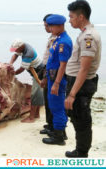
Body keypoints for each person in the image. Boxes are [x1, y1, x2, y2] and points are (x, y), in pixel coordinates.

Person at [65, 0, 101, 157]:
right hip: (78, 82)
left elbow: (84, 69)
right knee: (77, 117)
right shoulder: (84, 33)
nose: (69, 20)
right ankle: (80, 149)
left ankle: (82, 153)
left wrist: (72, 94)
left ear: (81, 17)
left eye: (71, 16)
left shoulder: (88, 36)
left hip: (82, 84)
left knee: (82, 119)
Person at [41, 14, 72, 145]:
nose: (50, 29)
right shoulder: (58, 39)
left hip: (57, 80)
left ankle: (58, 138)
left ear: (60, 26)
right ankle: (59, 132)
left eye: (52, 26)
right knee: (55, 106)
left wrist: (56, 84)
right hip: (52, 78)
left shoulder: (63, 42)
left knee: (57, 107)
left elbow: (63, 65)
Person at [9, 39, 45, 123]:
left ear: (20, 47)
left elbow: (22, 69)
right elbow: (15, 55)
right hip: (35, 71)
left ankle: (31, 118)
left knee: (35, 94)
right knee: (38, 92)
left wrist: (12, 73)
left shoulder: (28, 54)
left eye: (16, 49)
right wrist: (10, 63)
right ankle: (36, 114)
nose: (15, 51)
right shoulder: (23, 47)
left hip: (39, 72)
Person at [39, 14, 57, 135]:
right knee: (48, 100)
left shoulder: (57, 39)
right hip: (47, 70)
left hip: (51, 73)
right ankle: (50, 124)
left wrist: (46, 77)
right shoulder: (52, 37)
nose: (45, 28)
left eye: (47, 25)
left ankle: (55, 127)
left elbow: (54, 61)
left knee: (53, 102)